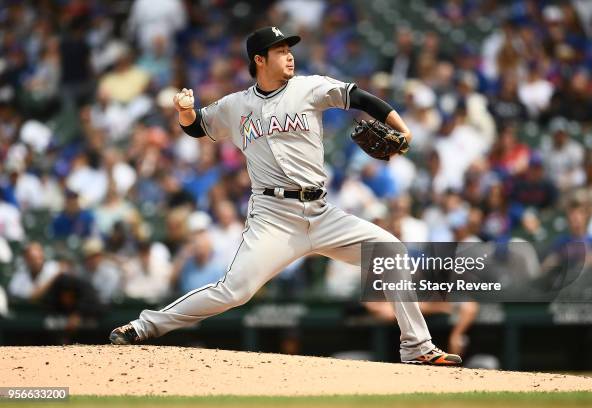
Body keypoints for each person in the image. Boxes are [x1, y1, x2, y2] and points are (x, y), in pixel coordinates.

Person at [110, 27, 461, 366]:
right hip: (273, 216)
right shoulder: (236, 105)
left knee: (390, 252)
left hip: (321, 213)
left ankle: (417, 346)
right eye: (281, 51)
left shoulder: (309, 87)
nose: (289, 56)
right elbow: (197, 126)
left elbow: (359, 97)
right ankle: (143, 326)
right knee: (235, 291)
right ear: (259, 60)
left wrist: (402, 127)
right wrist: (185, 110)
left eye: (290, 50)